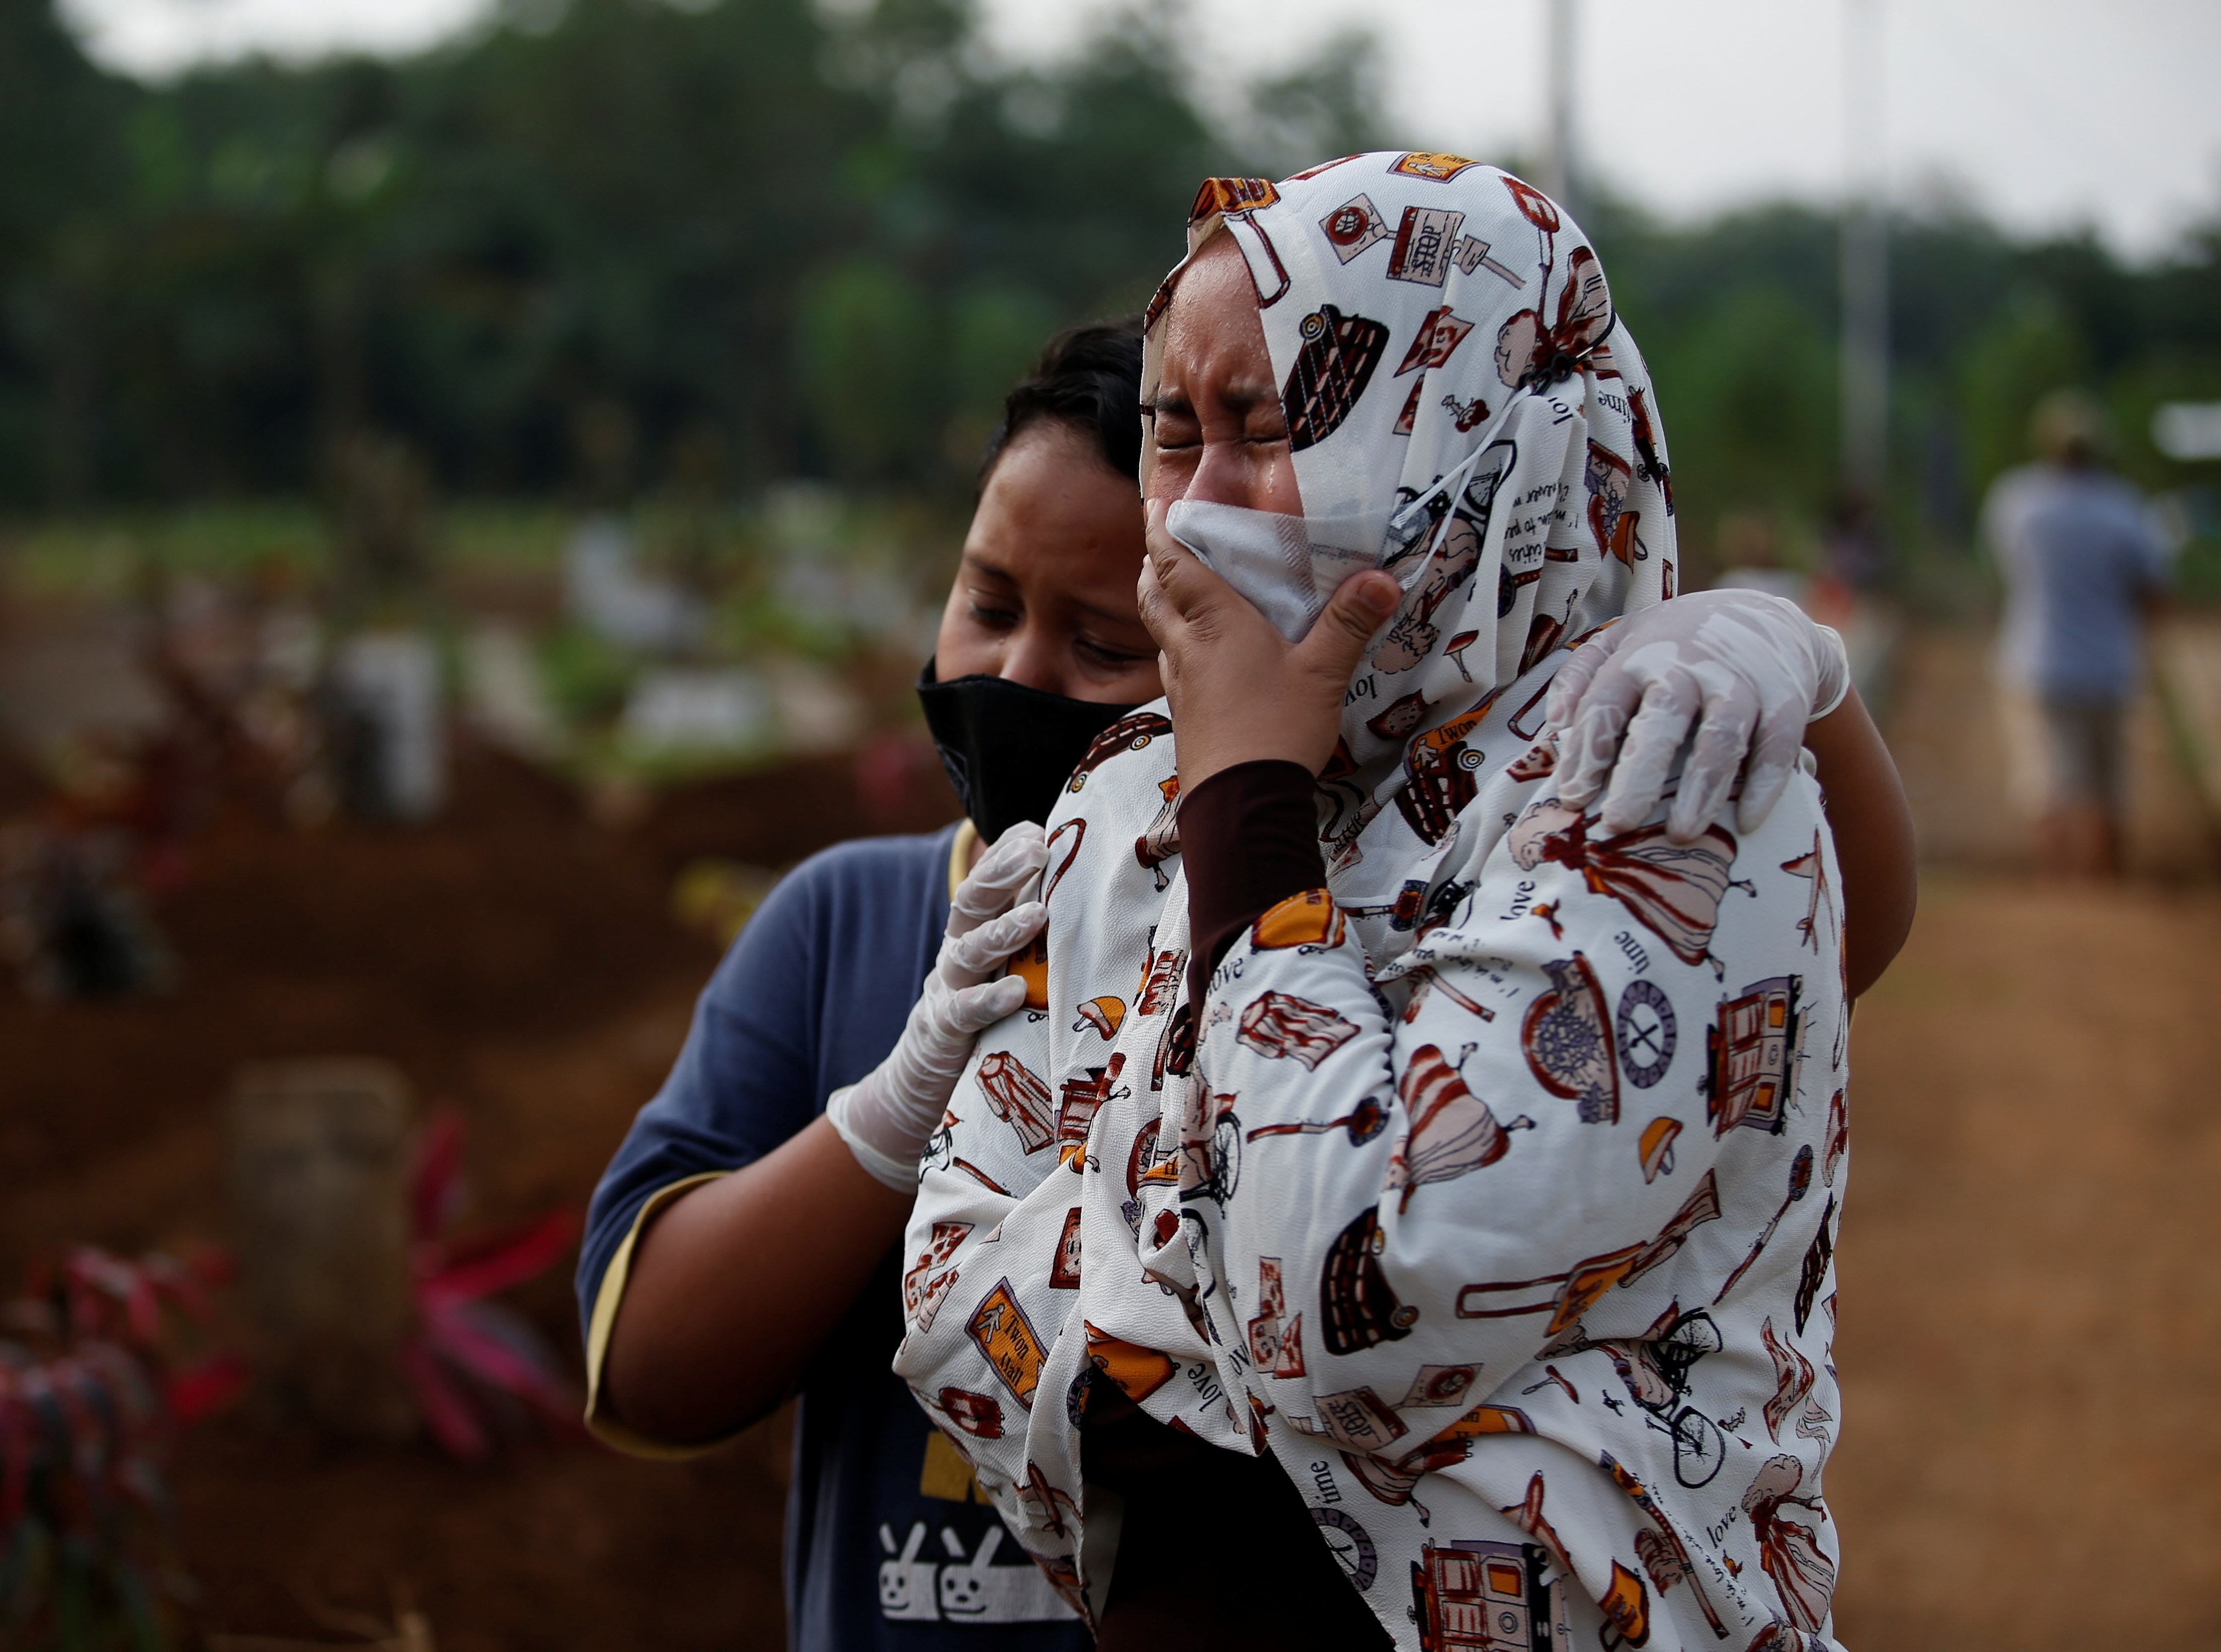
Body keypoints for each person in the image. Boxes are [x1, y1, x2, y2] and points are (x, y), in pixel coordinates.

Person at [578, 306, 1910, 1647]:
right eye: (986, 603)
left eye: (1107, 644)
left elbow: (1817, 947)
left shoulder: (1388, 933)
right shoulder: (848, 925)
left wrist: (1795, 670)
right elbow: (646, 1375)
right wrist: (896, 1105)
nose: (1014, 674)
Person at [895, 158, 1881, 1649]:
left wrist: (1248, 813)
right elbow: (956, 1278)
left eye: (1274, 429)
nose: (1206, 507)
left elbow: (1349, 1315)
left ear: (1491, 437)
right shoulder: (1120, 803)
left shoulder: (1661, 789)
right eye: (1177, 436)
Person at [1984, 389, 2171, 877]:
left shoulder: (2018, 502)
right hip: (2109, 666)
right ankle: (2108, 892)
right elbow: (2153, 594)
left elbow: (2006, 568)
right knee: (2109, 787)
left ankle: (2057, 896)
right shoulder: (2125, 509)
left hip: (2037, 660)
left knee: (2047, 785)